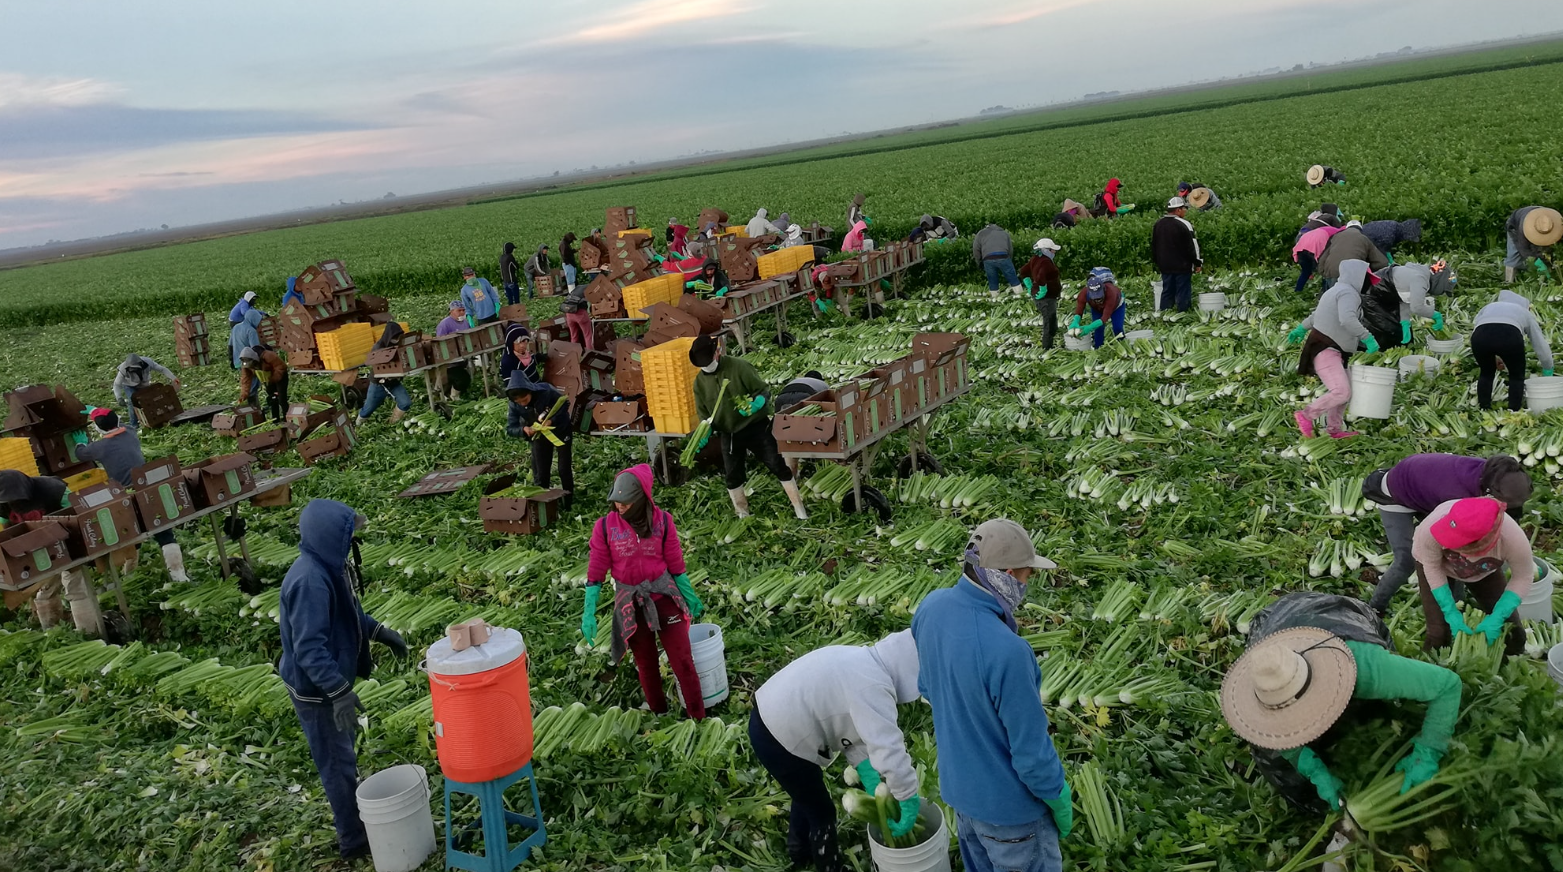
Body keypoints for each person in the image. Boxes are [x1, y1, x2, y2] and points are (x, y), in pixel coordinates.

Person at [912, 519, 1070, 872]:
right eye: (1028, 576)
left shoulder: (931, 609)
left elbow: (927, 689)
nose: (1027, 585)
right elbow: (1030, 753)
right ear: (1008, 574)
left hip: (961, 797)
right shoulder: (1009, 652)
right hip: (1012, 815)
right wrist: (1057, 795)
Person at [1220, 592, 1461, 813]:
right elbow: (1276, 730)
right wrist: (1311, 768)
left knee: (1373, 712)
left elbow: (1448, 685)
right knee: (1274, 760)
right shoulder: (1266, 683)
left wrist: (1429, 750)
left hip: (1342, 617)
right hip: (1275, 627)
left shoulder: (1369, 669)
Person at [278, 499, 409, 862]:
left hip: (327, 684)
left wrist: (379, 631)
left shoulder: (328, 567)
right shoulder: (310, 582)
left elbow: (347, 614)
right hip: (315, 692)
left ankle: (356, 824)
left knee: (343, 756)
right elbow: (309, 649)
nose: (352, 541)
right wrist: (338, 693)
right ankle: (354, 842)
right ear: (330, 537)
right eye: (348, 535)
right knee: (336, 764)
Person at [751, 630, 922, 872]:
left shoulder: (861, 662)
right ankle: (829, 867)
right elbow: (888, 747)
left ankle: (798, 850)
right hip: (781, 734)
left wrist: (868, 773)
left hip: (766, 721)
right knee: (821, 811)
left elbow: (854, 727)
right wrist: (907, 797)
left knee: (806, 791)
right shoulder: (872, 685)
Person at [582, 464, 706, 718]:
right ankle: (659, 713)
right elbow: (596, 571)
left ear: (641, 498)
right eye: (617, 502)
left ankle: (698, 716)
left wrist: (689, 595)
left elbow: (676, 565)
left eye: (626, 503)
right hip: (630, 601)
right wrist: (589, 610)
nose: (620, 507)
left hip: (663, 596)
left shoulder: (663, 522)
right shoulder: (605, 527)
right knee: (646, 664)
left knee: (683, 661)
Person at [1361, 454, 1530, 616]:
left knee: (1455, 555)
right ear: (1489, 492)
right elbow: (1449, 549)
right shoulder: (1456, 495)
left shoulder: (1496, 475)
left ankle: (1458, 602)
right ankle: (1374, 608)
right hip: (1396, 492)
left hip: (1424, 485)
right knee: (1406, 560)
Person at [689, 335, 808, 520]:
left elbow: (762, 390)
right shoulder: (699, 383)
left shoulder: (739, 367)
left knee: (777, 465)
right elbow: (704, 414)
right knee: (732, 475)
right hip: (728, 433)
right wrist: (706, 431)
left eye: (708, 361)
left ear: (717, 353)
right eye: (702, 364)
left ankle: (799, 509)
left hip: (755, 427)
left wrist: (758, 402)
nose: (706, 366)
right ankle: (742, 514)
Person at [77, 407, 191, 584]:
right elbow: (119, 426)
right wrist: (99, 411)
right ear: (117, 420)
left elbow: (80, 454)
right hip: (147, 487)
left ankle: (128, 576)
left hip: (125, 496)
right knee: (164, 531)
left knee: (131, 533)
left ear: (98, 429)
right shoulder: (130, 432)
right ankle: (178, 575)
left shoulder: (99, 447)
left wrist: (80, 443)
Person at [1414, 497, 1535, 656]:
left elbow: (1523, 577)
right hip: (1438, 569)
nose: (1461, 553)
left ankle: (1512, 660)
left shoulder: (1513, 539)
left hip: (1485, 571)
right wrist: (1449, 610)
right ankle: (1434, 672)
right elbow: (1431, 567)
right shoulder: (1430, 530)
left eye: (1465, 548)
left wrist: (1499, 615)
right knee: (1438, 632)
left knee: (1512, 628)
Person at [1286, 259, 1380, 439]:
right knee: (1341, 391)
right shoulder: (1347, 293)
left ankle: (1334, 430)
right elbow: (1347, 319)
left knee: (1346, 391)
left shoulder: (1334, 291)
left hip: (1333, 350)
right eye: (1366, 278)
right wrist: (1367, 338)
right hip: (1327, 349)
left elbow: (1316, 316)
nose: (1367, 283)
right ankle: (1306, 415)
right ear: (1357, 276)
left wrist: (1300, 328)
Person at [0, 470, 97, 635]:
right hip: (37, 547)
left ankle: (89, 633)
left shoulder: (53, 490)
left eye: (16, 499)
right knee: (45, 590)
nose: (14, 504)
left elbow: (78, 519)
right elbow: (10, 532)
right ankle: (53, 633)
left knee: (74, 585)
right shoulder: (2, 507)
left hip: (69, 540)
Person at [1472, 289, 1554, 411]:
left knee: (1486, 373)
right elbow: (1539, 343)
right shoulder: (1524, 312)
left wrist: (1495, 357)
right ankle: (1513, 410)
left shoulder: (1489, 307)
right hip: (1509, 335)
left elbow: (1479, 327)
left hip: (1480, 336)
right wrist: (1548, 367)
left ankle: (1484, 408)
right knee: (1516, 376)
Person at [505, 372, 574, 504]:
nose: (521, 403)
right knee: (541, 472)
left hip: (560, 430)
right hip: (539, 434)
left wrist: (552, 421)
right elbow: (510, 428)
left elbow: (564, 403)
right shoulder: (514, 405)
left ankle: (569, 501)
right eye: (518, 402)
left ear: (529, 391)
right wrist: (523, 430)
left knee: (563, 468)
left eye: (524, 400)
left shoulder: (546, 391)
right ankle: (544, 504)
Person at [1152, 196, 1202, 312]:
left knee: (1167, 290)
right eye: (1184, 208)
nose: (1185, 211)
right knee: (1183, 291)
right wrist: (1197, 262)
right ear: (1178, 210)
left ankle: (1165, 313)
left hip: (1165, 265)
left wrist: (1157, 262)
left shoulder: (1158, 224)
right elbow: (1192, 246)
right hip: (1182, 265)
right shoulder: (1184, 224)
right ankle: (1183, 313)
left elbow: (1154, 245)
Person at [355, 324, 412, 426]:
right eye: (395, 337)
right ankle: (357, 425)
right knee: (368, 409)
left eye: (398, 337)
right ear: (389, 336)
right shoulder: (378, 348)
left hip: (393, 381)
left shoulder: (399, 345)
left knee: (405, 403)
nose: (396, 339)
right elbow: (375, 364)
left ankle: (392, 423)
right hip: (379, 382)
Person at [1379, 262, 1445, 347]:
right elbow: (1417, 308)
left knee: (1396, 334)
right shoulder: (1419, 279)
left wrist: (1405, 321)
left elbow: (1404, 298)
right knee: (1384, 334)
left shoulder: (1420, 273)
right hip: (1373, 296)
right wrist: (1436, 315)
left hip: (1384, 294)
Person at [112, 354, 180, 430]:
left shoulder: (148, 363)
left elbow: (162, 369)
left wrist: (173, 378)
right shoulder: (123, 368)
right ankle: (134, 425)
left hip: (143, 384)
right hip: (129, 385)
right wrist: (119, 398)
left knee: (149, 401)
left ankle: (155, 419)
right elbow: (116, 384)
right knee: (132, 402)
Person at [1018, 238, 1064, 348]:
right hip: (1046, 297)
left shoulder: (1036, 258)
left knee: (1051, 319)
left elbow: (1023, 271)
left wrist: (1029, 286)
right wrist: (1043, 289)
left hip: (1042, 295)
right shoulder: (1046, 262)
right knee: (1048, 320)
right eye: (1052, 250)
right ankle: (1046, 347)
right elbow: (1041, 277)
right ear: (1046, 250)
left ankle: (1051, 341)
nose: (1054, 252)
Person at [1317, 220, 1388, 287]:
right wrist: (1368, 270)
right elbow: (1381, 262)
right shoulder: (1364, 238)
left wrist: (1324, 273)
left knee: (1334, 297)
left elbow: (1323, 258)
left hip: (1332, 273)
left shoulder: (1335, 237)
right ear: (1360, 229)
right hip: (1352, 274)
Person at [1069, 267, 1126, 348]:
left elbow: (1104, 318)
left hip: (1117, 306)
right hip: (1097, 309)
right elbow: (1079, 310)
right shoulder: (1083, 294)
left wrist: (1089, 327)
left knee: (1117, 328)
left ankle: (1123, 345)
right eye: (1095, 298)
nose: (1098, 300)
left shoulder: (1111, 293)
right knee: (1098, 330)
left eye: (1099, 297)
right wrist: (1075, 322)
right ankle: (1098, 349)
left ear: (1103, 289)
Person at [1503, 206, 1560, 284]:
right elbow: (1524, 250)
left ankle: (1545, 278)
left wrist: (1547, 260)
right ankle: (1508, 283)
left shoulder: (1555, 223)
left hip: (1534, 219)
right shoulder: (1523, 229)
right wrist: (1537, 261)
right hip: (1514, 225)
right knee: (1514, 256)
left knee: (1544, 253)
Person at [239, 346, 289, 422]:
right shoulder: (246, 366)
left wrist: (273, 379)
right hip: (267, 379)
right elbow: (245, 379)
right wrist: (244, 394)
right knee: (272, 399)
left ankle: (287, 417)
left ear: (255, 359)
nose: (252, 367)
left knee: (282, 399)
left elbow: (281, 367)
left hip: (279, 376)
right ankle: (275, 419)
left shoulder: (268, 356)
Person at [1292, 222, 1343, 294]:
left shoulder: (1328, 229)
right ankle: (1326, 293)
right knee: (1325, 270)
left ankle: (1297, 291)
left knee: (1305, 272)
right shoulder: (1337, 233)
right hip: (1314, 247)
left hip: (1301, 247)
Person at [435, 301, 472, 401]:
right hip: (450, 362)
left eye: (463, 310)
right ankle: (453, 396)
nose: (461, 313)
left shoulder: (465, 322)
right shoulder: (444, 324)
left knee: (468, 376)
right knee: (463, 379)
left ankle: (456, 392)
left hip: (462, 358)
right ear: (451, 311)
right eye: (459, 310)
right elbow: (439, 343)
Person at [972, 223, 1021, 295]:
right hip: (1003, 256)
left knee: (992, 280)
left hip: (988, 258)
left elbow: (976, 249)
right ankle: (1020, 294)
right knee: (1013, 278)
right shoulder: (1004, 233)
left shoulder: (981, 233)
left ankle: (995, 299)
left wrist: (979, 262)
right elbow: (1010, 249)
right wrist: (1009, 260)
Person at [227, 291, 263, 370]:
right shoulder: (251, 331)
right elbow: (255, 349)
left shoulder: (236, 328)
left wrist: (231, 360)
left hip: (237, 363)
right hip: (248, 365)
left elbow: (230, 345)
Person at [560, 280, 593, 351]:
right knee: (587, 335)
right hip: (580, 314)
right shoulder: (589, 289)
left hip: (569, 314)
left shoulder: (575, 290)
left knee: (574, 336)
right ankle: (590, 353)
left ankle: (573, 353)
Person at [499, 242, 523, 306]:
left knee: (510, 299)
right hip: (511, 279)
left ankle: (511, 312)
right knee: (516, 298)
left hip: (505, 280)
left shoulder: (501, 257)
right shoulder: (510, 257)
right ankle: (517, 311)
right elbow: (515, 266)